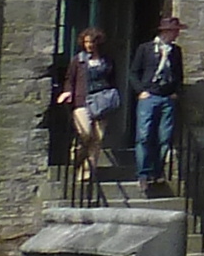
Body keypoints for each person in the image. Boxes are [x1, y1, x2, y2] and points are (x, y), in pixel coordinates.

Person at [133, 13, 187, 190]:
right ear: (166, 32)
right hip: (149, 96)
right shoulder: (146, 49)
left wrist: (175, 92)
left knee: (165, 138)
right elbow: (133, 71)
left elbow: (179, 74)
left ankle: (157, 172)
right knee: (144, 136)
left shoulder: (176, 51)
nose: (176, 34)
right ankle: (144, 173)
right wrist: (141, 90)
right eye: (174, 31)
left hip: (167, 97)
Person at [69, 30, 121, 184]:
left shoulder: (107, 61)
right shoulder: (78, 60)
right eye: (86, 42)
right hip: (82, 101)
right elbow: (69, 79)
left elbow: (113, 79)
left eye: (92, 42)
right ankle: (76, 153)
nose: (89, 45)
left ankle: (87, 172)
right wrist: (67, 93)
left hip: (101, 101)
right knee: (85, 132)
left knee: (98, 138)